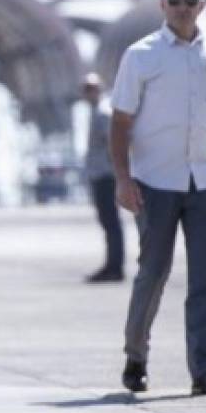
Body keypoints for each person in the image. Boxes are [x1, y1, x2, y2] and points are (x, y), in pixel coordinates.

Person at [109, 0, 206, 396]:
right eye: (176, 2)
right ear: (163, 7)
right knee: (153, 272)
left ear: (202, 7)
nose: (183, 8)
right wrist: (123, 180)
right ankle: (136, 355)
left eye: (191, 1)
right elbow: (120, 121)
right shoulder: (141, 56)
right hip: (155, 183)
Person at [81, 72, 124, 283]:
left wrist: (118, 174)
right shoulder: (95, 112)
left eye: (92, 89)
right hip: (100, 174)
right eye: (87, 89)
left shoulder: (103, 113)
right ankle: (112, 264)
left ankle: (115, 266)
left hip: (106, 175)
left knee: (111, 222)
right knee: (108, 222)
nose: (89, 93)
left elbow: (113, 144)